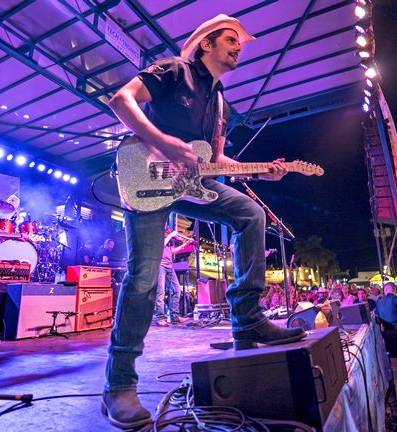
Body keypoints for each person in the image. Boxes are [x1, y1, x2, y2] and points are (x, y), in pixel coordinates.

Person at [103, 14, 305, 428]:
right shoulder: (174, 70)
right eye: (231, 40)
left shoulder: (220, 104)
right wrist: (164, 143)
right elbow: (121, 100)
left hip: (188, 185)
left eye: (240, 44)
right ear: (207, 44)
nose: (238, 48)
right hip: (146, 176)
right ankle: (118, 385)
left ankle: (247, 321)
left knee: (249, 213)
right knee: (143, 277)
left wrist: (259, 169)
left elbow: (213, 161)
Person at [155, 229, 193, 327]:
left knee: (177, 290)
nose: (168, 231)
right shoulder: (158, 236)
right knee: (161, 292)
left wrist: (185, 244)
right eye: (166, 231)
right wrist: (170, 235)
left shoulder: (169, 239)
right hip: (160, 266)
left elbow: (173, 251)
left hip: (169, 266)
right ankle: (160, 318)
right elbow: (160, 246)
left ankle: (175, 316)